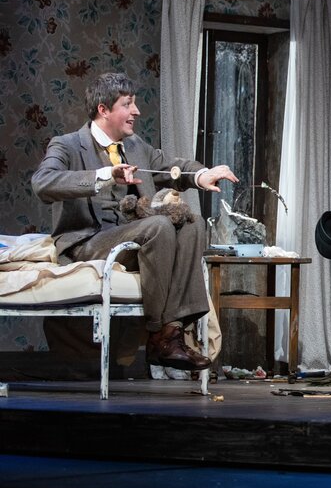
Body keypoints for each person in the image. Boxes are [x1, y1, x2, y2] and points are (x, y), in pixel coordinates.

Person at [32, 72, 238, 371]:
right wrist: (104, 176)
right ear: (104, 109)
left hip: (131, 239)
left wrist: (201, 175)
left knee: (191, 223)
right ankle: (158, 331)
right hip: (88, 241)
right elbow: (43, 183)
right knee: (159, 225)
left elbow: (170, 167)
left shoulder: (135, 146)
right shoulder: (67, 145)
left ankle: (170, 335)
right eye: (127, 104)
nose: (136, 111)